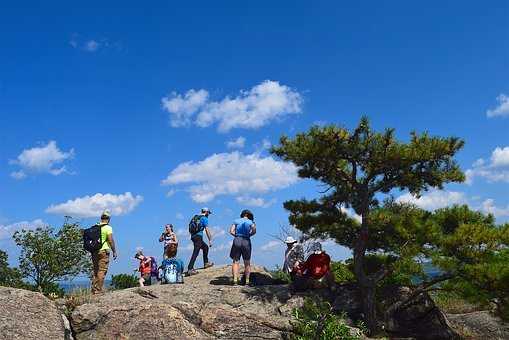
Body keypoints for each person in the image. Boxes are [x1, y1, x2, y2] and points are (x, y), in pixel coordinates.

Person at [91, 210, 117, 294]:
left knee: (96, 270)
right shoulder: (108, 227)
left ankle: (94, 289)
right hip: (104, 251)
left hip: (94, 251)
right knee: (102, 270)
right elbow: (110, 240)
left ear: (101, 218)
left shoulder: (95, 227)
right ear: (108, 219)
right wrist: (114, 251)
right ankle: (98, 290)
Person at [229, 209, 256, 285]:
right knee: (247, 263)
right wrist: (249, 235)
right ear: (248, 215)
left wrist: (237, 235)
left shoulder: (236, 221)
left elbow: (231, 231)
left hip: (237, 239)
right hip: (246, 240)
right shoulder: (251, 222)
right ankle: (247, 281)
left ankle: (235, 280)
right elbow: (254, 230)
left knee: (235, 261)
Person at [186, 207, 214, 275]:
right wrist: (210, 239)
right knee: (196, 252)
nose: (209, 215)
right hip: (198, 237)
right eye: (208, 213)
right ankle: (190, 268)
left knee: (205, 247)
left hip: (193, 236)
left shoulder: (195, 217)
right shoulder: (204, 218)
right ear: (206, 212)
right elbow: (207, 230)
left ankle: (206, 263)